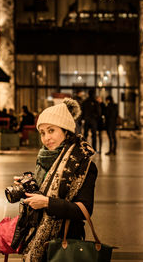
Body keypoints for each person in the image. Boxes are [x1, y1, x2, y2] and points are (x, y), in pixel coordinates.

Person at [16, 98, 98, 262]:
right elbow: (44, 190)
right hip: (37, 236)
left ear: (66, 131)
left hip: (65, 241)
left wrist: (47, 203)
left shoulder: (83, 164)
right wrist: (28, 187)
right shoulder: (44, 159)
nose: (46, 138)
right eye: (42, 132)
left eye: (51, 130)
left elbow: (84, 210)